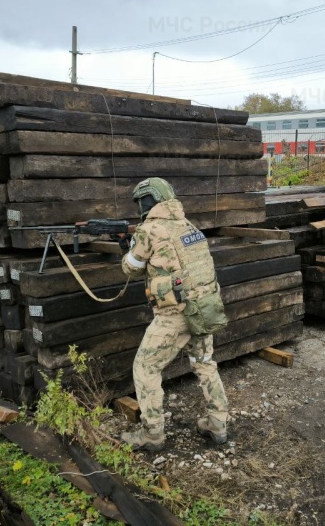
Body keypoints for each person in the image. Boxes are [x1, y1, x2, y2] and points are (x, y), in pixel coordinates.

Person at [119, 177, 229, 452]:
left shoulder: (150, 230)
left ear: (147, 201)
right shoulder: (189, 226)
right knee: (204, 364)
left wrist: (128, 248)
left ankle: (152, 434)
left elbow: (131, 268)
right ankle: (218, 424)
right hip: (204, 309)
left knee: (145, 367)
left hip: (175, 315)